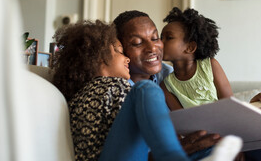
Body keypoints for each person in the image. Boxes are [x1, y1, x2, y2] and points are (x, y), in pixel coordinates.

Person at [113, 10, 261, 161]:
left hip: (233, 133)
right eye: (137, 42)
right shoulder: (127, 91)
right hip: (201, 145)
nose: (155, 47)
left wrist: (255, 108)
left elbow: (229, 104)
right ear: (120, 49)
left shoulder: (173, 71)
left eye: (157, 38)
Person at [159, 7, 261, 160]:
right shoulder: (165, 86)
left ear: (190, 47)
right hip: (203, 142)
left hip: (231, 131)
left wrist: (235, 144)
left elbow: (230, 107)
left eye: (168, 37)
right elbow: (185, 125)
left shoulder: (210, 66)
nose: (160, 43)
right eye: (161, 37)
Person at [51, 20, 191, 161]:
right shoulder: (113, 86)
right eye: (119, 51)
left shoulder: (83, 95)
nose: (127, 59)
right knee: (145, 88)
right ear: (98, 57)